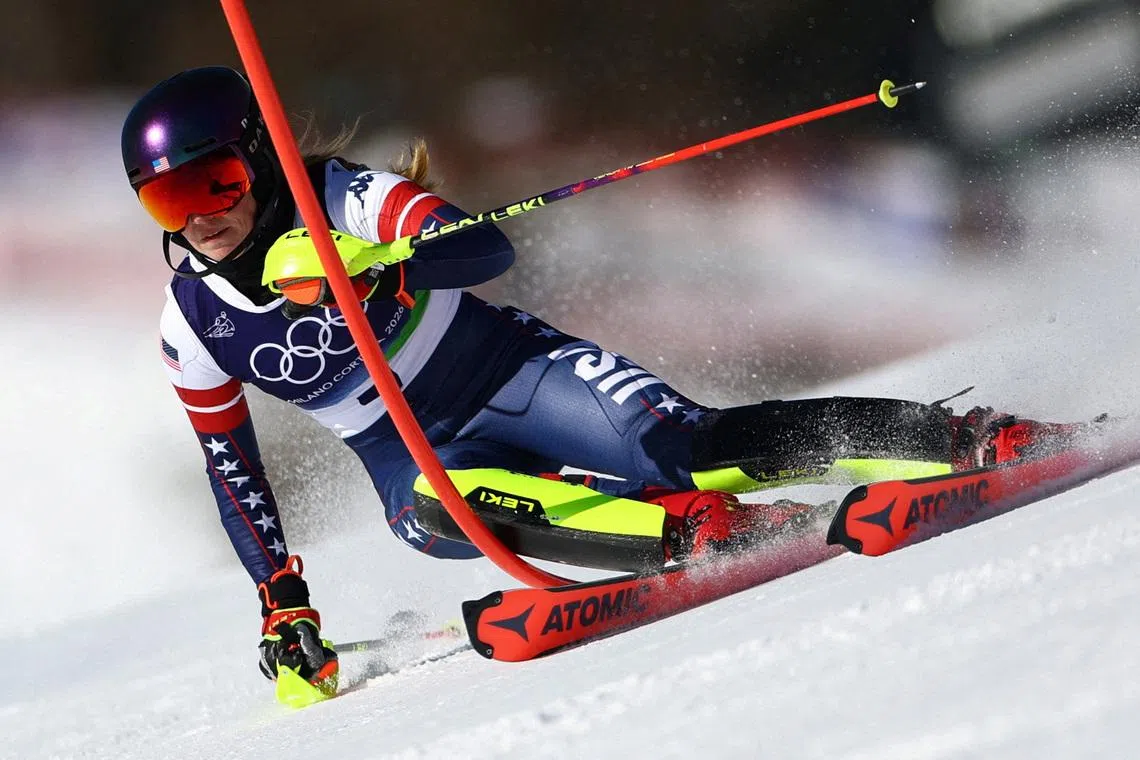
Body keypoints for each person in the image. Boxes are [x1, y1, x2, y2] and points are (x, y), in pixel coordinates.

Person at [122, 66, 1079, 695]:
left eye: (214, 183)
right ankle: (692, 537)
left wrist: (373, 262)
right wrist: (282, 599)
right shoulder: (190, 327)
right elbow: (230, 468)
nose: (200, 217)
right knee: (432, 511)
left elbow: (483, 249)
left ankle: (958, 438)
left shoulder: (349, 197)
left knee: (685, 447)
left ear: (255, 159)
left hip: (513, 369)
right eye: (169, 198)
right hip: (413, 452)